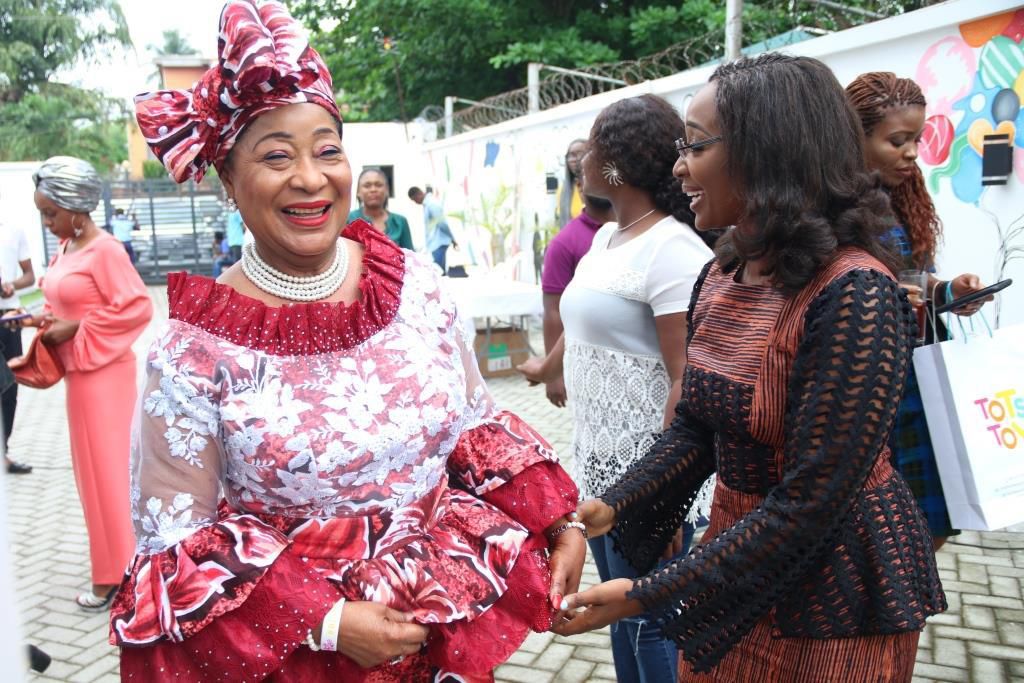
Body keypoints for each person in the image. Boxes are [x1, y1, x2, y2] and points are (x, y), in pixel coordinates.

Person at [118, 3, 585, 680]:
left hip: (436, 618)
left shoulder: (413, 286)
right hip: (299, 651)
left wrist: (558, 520)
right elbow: (175, 535)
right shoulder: (195, 350)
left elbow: (476, 424)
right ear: (227, 179)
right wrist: (326, 621)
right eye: (276, 155)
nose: (310, 177)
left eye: (327, 150)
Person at [556, 54, 946, 682]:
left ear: (765, 150)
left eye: (697, 145)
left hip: (832, 596)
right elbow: (695, 430)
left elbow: (815, 500)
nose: (680, 166)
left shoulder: (855, 290)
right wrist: (610, 507)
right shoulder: (724, 272)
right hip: (737, 561)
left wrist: (645, 593)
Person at [519, 94, 715, 683]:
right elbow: (582, 327)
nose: (583, 155)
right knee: (620, 612)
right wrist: (545, 369)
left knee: (650, 614)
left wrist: (663, 484)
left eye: (595, 142)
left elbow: (686, 376)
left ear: (619, 161)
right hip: (600, 462)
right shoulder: (608, 237)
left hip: (646, 473)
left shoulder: (674, 251)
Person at [846, 72, 993, 550]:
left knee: (929, 525)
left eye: (917, 139)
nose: (912, 152)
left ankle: (905, 616)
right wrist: (879, 298)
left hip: (921, 379)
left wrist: (951, 291)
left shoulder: (904, 199)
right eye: (897, 141)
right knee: (875, 532)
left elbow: (917, 278)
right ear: (854, 136)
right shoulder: (828, 209)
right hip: (866, 387)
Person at [16, 156, 153, 610]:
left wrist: (75, 329)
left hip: (105, 379)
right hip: (81, 379)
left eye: (50, 212)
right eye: (42, 212)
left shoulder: (106, 249)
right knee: (92, 477)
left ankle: (123, 577)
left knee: (111, 476)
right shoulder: (68, 247)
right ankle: (114, 567)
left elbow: (136, 307)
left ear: (76, 206)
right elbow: (70, 301)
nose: (46, 220)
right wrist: (43, 318)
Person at [538, 166, 614, 408]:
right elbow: (552, 311)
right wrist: (553, 375)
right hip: (589, 368)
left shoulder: (636, 230)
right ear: (579, 187)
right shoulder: (563, 243)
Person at [0, 215, 35, 474]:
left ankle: (4, 453)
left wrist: (11, 285)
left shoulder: (13, 227)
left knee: (9, 388)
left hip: (8, 318)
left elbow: (29, 276)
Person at [349, 167, 414, 249]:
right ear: (358, 192)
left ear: (387, 190)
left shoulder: (400, 222)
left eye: (379, 185)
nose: (373, 189)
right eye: (367, 186)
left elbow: (411, 259)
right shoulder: (348, 220)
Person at [408, 185, 456, 272]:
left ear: (419, 194)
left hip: (439, 243)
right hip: (435, 243)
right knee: (438, 272)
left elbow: (442, 223)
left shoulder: (432, 204)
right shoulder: (427, 204)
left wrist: (453, 239)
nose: (415, 202)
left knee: (438, 272)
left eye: (414, 200)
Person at [558, 139, 587, 228]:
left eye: (580, 154)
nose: (574, 159)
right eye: (571, 155)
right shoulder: (562, 191)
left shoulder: (603, 186)